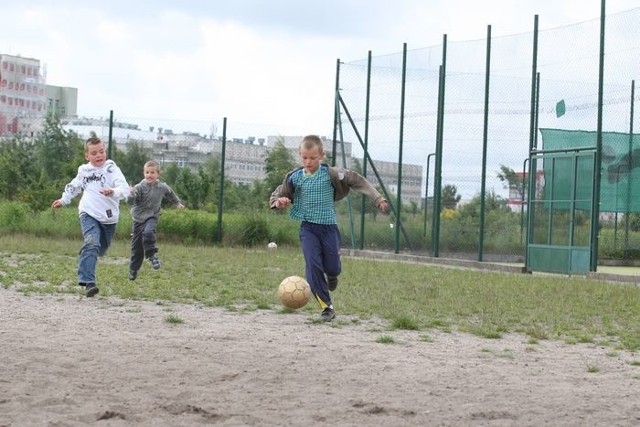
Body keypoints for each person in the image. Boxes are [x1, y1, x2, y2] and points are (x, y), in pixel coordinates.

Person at [269, 135, 389, 321]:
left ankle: (332, 276)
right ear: (300, 156)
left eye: (312, 158)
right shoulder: (294, 178)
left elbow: (359, 181)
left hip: (329, 229)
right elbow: (278, 195)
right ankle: (327, 306)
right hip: (308, 229)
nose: (308, 162)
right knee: (313, 264)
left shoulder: (333, 174)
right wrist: (279, 202)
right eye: (304, 157)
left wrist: (378, 198)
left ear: (321, 156)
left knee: (333, 267)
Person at [51, 137, 130, 297]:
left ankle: (88, 254)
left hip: (109, 219)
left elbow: (125, 188)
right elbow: (74, 186)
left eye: (101, 151)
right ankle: (88, 282)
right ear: (87, 156)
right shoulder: (84, 171)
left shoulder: (111, 168)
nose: (99, 155)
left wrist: (113, 191)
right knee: (91, 243)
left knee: (100, 249)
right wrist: (63, 200)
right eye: (94, 153)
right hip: (88, 213)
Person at [127, 160, 185, 280]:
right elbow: (131, 200)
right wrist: (131, 194)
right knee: (136, 247)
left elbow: (170, 193)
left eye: (152, 172)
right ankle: (133, 269)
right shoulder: (140, 187)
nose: (149, 175)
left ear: (158, 174)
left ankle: (152, 256)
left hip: (152, 216)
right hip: (138, 218)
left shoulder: (162, 187)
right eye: (147, 172)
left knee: (148, 233)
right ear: (144, 173)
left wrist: (177, 203)